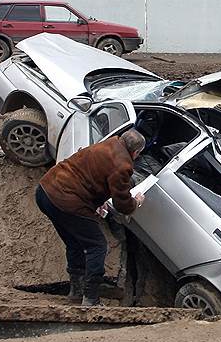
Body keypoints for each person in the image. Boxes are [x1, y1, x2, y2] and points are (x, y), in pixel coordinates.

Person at [35, 130, 147, 306]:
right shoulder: (123, 165)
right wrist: (136, 202)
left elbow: (90, 174)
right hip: (66, 201)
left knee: (74, 242)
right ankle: (91, 298)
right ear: (136, 152)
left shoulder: (108, 143)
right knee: (97, 246)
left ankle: (76, 293)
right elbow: (122, 205)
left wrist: (98, 199)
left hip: (45, 190)